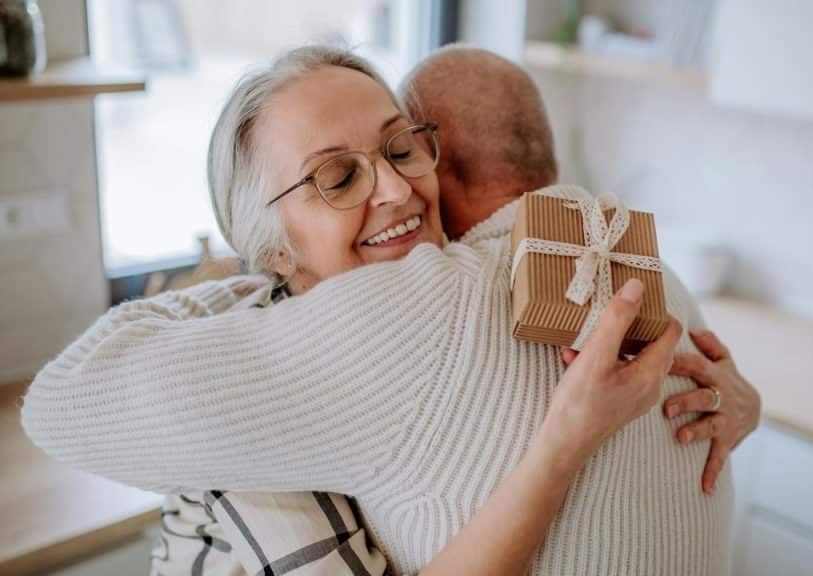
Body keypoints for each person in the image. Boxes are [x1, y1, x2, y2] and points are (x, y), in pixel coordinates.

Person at [22, 45, 760, 575]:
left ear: (445, 158)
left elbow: (58, 403)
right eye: (338, 176)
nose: (397, 190)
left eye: (402, 148)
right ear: (272, 245)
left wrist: (262, 279)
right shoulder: (648, 266)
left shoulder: (397, 318)